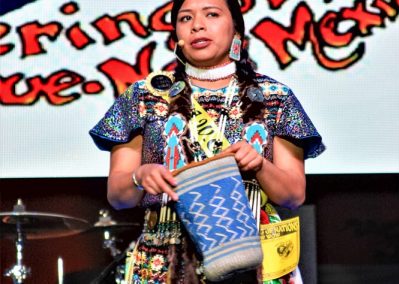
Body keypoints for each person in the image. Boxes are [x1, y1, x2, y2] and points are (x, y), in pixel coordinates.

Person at [89, 0, 325, 283]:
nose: (197, 25)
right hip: (165, 259)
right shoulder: (146, 95)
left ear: (236, 29)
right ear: (177, 34)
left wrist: (260, 165)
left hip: (253, 256)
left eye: (211, 14)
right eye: (185, 18)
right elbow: (118, 196)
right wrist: (140, 176)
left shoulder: (275, 96)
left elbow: (293, 195)